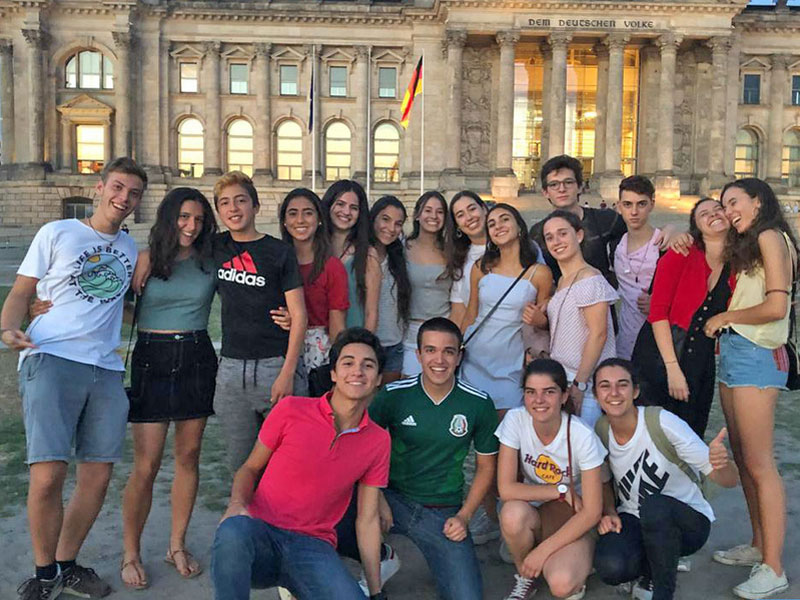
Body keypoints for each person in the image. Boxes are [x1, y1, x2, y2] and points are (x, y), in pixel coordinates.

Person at [1, 157, 145, 600]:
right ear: (100, 187)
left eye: (133, 193)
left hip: (105, 367)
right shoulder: (57, 232)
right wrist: (9, 326)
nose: (123, 198)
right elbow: (23, 291)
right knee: (47, 475)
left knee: (97, 477)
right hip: (52, 358)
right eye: (117, 188)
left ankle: (66, 563)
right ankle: (43, 574)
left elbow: (122, 305)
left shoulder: (132, 249)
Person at [211, 328, 391, 600]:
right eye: (348, 363)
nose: (357, 371)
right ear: (333, 373)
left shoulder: (378, 440)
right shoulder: (291, 410)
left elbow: (366, 520)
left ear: (378, 379)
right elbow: (249, 468)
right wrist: (237, 505)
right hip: (263, 534)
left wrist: (376, 592)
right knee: (232, 530)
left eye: (368, 365)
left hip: (313, 548)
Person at [336, 317, 498, 600]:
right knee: (334, 516)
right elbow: (361, 449)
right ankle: (380, 557)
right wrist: (379, 499)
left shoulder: (478, 403)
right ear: (418, 354)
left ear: (459, 356)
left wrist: (464, 515)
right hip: (390, 496)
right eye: (431, 350)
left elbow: (486, 468)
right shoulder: (393, 395)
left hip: (441, 509)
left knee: (467, 596)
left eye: (448, 351)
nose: (439, 359)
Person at [118, 188, 218, 589]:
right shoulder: (144, 259)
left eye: (198, 219)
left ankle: (176, 544)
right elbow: (115, 305)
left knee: (189, 456)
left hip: (196, 353)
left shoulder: (210, 261)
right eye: (183, 217)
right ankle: (131, 552)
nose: (191, 226)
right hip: (151, 356)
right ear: (168, 217)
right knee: (147, 463)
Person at [703, 178, 796, 599]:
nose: (729, 210)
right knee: (742, 457)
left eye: (735, 202)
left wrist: (725, 318)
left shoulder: (773, 237)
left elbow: (778, 305)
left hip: (759, 353)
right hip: (739, 352)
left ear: (759, 201)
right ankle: (760, 546)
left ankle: (773, 568)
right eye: (724, 204)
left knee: (759, 462)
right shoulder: (753, 243)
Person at [592, 358, 738, 600]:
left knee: (655, 505)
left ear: (635, 390)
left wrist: (723, 462)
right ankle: (656, 563)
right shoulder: (601, 429)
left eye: (623, 384)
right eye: (605, 386)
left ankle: (661, 590)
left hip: (687, 523)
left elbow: (729, 480)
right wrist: (609, 510)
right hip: (635, 518)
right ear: (596, 395)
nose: (614, 393)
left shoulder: (661, 422)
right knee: (611, 567)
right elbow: (605, 479)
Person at [212, 171, 308, 471]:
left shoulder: (278, 252)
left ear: (255, 206)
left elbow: (299, 315)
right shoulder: (214, 247)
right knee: (240, 463)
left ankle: (284, 519)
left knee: (288, 461)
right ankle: (244, 517)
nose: (233, 208)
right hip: (230, 371)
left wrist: (286, 373)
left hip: (274, 366)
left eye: (241, 200)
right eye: (225, 203)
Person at [496, 358, 606, 600]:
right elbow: (505, 489)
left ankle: (565, 557)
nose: (539, 400)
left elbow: (592, 512)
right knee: (512, 514)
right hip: (539, 510)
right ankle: (525, 577)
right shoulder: (515, 420)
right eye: (530, 392)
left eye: (549, 392)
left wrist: (542, 551)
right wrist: (561, 490)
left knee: (561, 584)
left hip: (574, 518)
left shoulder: (582, 435)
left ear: (564, 396)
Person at [632, 198, 735, 437]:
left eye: (718, 209)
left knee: (691, 431)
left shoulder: (737, 264)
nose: (713, 215)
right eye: (704, 214)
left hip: (700, 358)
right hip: (661, 354)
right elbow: (657, 314)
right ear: (696, 227)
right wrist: (672, 369)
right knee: (654, 432)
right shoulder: (680, 253)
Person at [461, 203, 553, 416]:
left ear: (519, 226)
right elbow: (471, 314)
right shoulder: (480, 267)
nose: (498, 226)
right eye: (491, 223)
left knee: (506, 429)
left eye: (504, 219)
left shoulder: (539, 273)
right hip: (475, 358)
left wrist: (540, 320)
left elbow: (544, 322)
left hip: (511, 363)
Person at [529, 155, 673, 289]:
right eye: (554, 184)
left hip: (602, 303)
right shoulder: (537, 232)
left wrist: (669, 230)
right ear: (545, 192)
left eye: (568, 182)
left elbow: (641, 234)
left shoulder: (607, 220)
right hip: (561, 303)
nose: (562, 189)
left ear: (580, 187)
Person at [538, 210, 618, 427]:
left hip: (585, 381)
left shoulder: (589, 278)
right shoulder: (563, 280)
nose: (557, 241)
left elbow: (598, 334)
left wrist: (580, 384)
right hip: (563, 377)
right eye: (550, 237)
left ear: (579, 235)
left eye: (563, 233)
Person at [278, 188, 349, 395]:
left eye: (308, 213)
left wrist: (339, 366)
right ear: (284, 221)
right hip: (277, 349)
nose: (300, 220)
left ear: (319, 219)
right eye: (293, 213)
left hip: (318, 355)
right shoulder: (274, 260)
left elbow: (337, 324)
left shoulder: (332, 266)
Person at [403, 191, 453, 376]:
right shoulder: (402, 248)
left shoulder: (452, 250)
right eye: (428, 210)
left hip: (443, 328)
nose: (433, 216)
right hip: (411, 331)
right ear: (417, 215)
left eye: (439, 212)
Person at [322, 180, 381, 331]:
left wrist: (365, 346)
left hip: (351, 342)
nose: (346, 212)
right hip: (313, 343)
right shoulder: (314, 250)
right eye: (340, 204)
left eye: (353, 208)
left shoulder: (368, 255)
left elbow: (371, 312)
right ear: (329, 205)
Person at [613, 176, 662, 360]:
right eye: (627, 204)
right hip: (624, 345)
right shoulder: (615, 245)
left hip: (657, 343)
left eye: (641, 204)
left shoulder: (665, 244)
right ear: (619, 206)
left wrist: (659, 306)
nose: (634, 212)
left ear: (652, 204)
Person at [369, 196, 412, 383]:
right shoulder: (359, 254)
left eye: (398, 223)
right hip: (368, 344)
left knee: (386, 406)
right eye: (385, 219)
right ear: (374, 219)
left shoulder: (398, 257)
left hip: (394, 345)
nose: (391, 228)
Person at [448, 191, 489, 328]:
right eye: (460, 215)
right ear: (457, 225)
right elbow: (459, 312)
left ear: (484, 209)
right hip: (476, 340)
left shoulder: (511, 246)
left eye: (472, 209)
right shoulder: (460, 259)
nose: (469, 217)